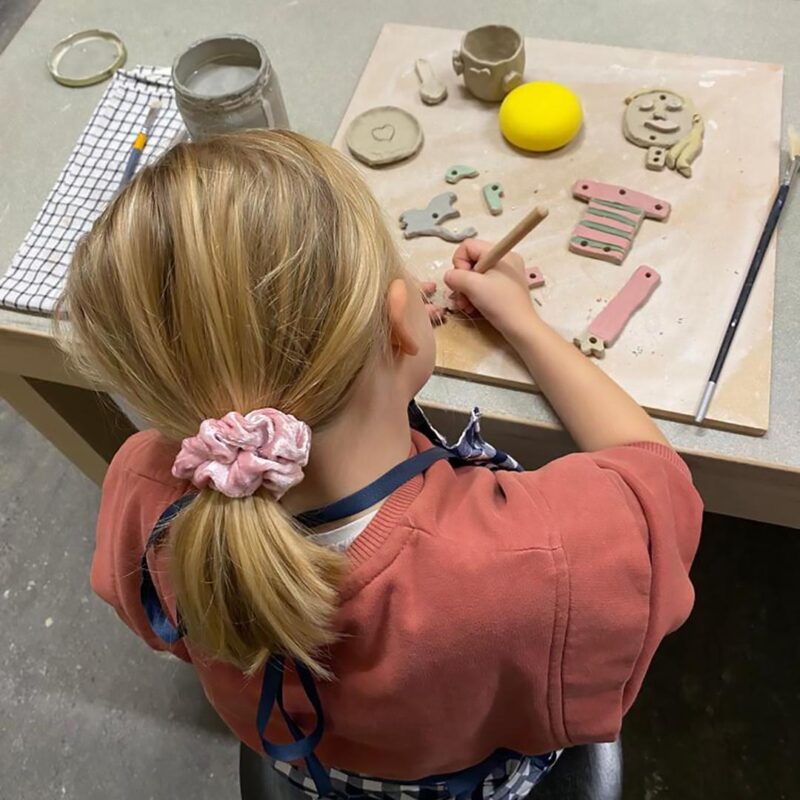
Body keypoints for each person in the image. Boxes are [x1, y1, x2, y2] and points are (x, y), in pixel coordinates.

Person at [57, 130, 702, 799]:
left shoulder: (142, 490)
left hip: (306, 772)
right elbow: (654, 475)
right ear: (401, 325)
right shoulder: (546, 561)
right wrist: (529, 327)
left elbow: (154, 621)